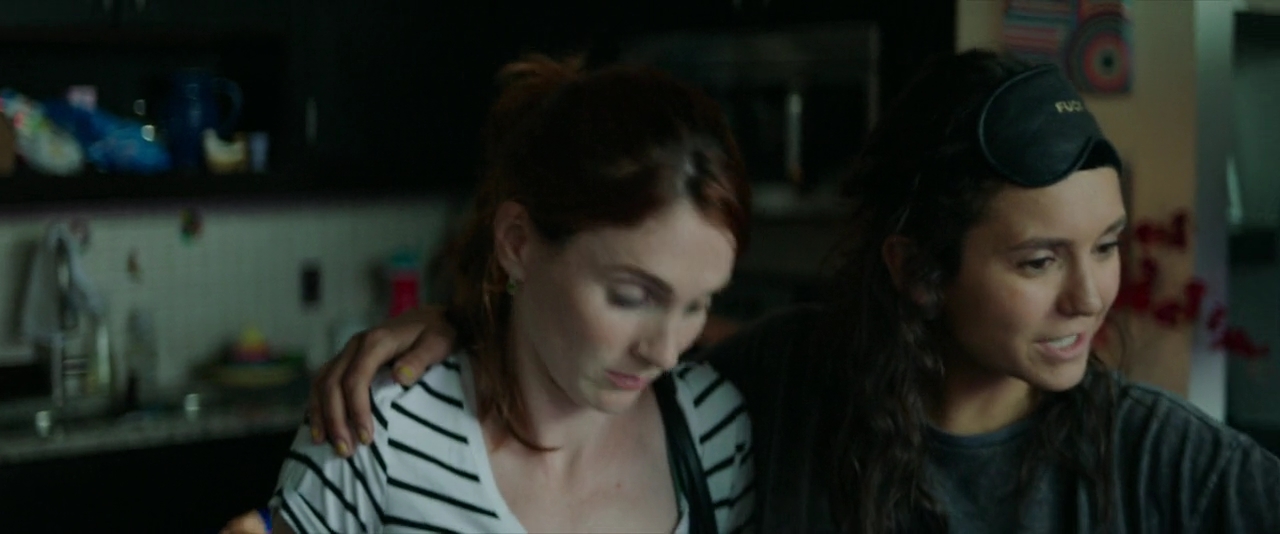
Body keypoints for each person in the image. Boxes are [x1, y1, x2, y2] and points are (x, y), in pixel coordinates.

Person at [306, 49, 1280, 533]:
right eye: (1038, 261)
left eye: (1105, 247)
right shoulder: (777, 391)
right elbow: (597, 349)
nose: (1090, 296)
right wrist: (465, 324)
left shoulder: (1154, 457)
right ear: (914, 269)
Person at [255, 54, 758, 534]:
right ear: (518, 244)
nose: (665, 353)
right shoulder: (379, 428)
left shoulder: (712, 430)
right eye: (630, 296)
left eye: (698, 305)